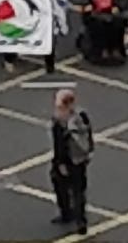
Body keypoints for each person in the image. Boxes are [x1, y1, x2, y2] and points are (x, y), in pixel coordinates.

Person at [50, 87, 92, 230]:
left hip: (66, 161)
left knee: (60, 185)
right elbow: (89, 135)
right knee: (78, 190)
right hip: (79, 159)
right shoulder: (82, 116)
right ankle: (81, 221)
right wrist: (89, 152)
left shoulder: (59, 122)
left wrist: (59, 163)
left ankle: (66, 213)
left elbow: (59, 145)